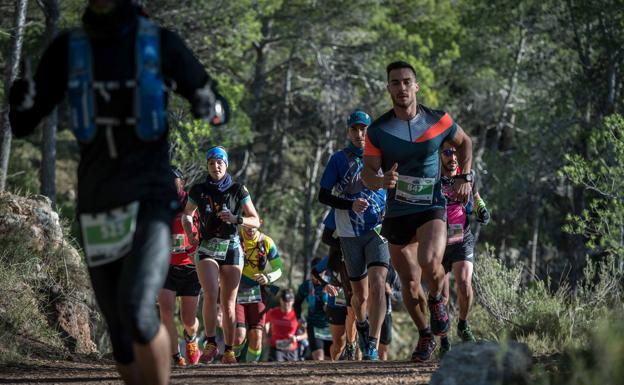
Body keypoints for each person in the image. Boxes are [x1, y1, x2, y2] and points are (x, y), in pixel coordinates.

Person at [8, 1, 228, 383]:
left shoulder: (159, 44)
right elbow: (25, 122)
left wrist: (210, 104)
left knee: (138, 310)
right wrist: (19, 98)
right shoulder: (69, 49)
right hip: (99, 200)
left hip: (150, 196)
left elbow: (217, 106)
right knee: (121, 331)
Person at [361, 61, 473, 362]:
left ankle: (437, 298)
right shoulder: (378, 130)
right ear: (388, 88)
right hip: (397, 211)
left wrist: (464, 177)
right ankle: (425, 335)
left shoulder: (438, 120)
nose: (401, 88)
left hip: (432, 205)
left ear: (416, 85)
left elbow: (465, 143)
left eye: (406, 81)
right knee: (409, 286)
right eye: (395, 83)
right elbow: (367, 174)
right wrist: (382, 181)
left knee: (429, 261)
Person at [319, 110, 389, 360]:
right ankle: (361, 325)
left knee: (378, 284)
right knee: (360, 295)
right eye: (355, 129)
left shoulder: (383, 155)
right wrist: (350, 204)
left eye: (364, 129)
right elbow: (322, 195)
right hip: (348, 232)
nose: (360, 134)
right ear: (348, 132)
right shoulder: (339, 159)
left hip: (379, 231)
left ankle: (372, 341)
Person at [182, 146, 261, 364]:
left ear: (226, 165)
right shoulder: (199, 190)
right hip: (207, 246)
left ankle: (229, 350)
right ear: (207, 165)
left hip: (232, 247)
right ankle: (210, 343)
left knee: (228, 303)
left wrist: (237, 219)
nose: (215, 166)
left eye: (220, 163)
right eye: (211, 163)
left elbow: (255, 219)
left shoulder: (238, 190)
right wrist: (191, 235)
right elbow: (187, 215)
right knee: (210, 292)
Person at [438, 142, 490, 355]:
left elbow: (476, 197)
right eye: (447, 153)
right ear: (440, 156)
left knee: (464, 284)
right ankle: (443, 341)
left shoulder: (467, 175)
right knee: (441, 296)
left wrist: (483, 210)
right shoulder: (433, 176)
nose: (452, 157)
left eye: (456, 153)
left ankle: (463, 324)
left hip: (461, 237)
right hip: (437, 241)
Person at [158, 168, 201, 367]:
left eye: (173, 180)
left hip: (191, 268)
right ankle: (176, 356)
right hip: (166, 268)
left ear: (181, 183)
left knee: (188, 321)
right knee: (166, 312)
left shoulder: (193, 205)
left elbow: (205, 231)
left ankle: (191, 339)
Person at [233, 225, 284, 362]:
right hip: (236, 290)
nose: (250, 229)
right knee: (239, 335)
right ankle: (232, 359)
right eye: (247, 226)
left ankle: (251, 371)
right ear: (241, 223)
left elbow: (279, 267)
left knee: (256, 337)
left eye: (253, 226)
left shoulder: (266, 241)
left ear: (259, 222)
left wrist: (268, 277)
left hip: (258, 292)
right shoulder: (234, 238)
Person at [319, 210, 359, 360]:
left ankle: (360, 371)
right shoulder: (333, 255)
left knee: (355, 342)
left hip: (352, 301)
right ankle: (333, 365)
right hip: (335, 303)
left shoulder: (361, 256)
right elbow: (315, 272)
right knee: (338, 343)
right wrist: (325, 285)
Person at [294, 259, 331, 360]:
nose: (318, 275)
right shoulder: (306, 286)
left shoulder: (331, 283)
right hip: (314, 326)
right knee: (319, 357)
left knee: (330, 359)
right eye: (316, 273)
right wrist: (299, 318)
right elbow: (297, 303)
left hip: (330, 327)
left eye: (321, 272)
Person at [266, 289, 307, 362]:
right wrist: (265, 336)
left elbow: (307, 333)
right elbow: (266, 322)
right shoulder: (273, 312)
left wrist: (297, 338)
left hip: (292, 350)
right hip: (276, 349)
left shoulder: (297, 315)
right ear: (280, 300)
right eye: (284, 301)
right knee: (277, 368)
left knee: (292, 371)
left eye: (289, 301)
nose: (286, 304)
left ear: (293, 301)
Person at [378, 264, 402, 360]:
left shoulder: (392, 270)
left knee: (383, 348)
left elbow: (401, 295)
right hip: (367, 314)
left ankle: (379, 373)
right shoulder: (365, 266)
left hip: (386, 314)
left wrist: (390, 291)